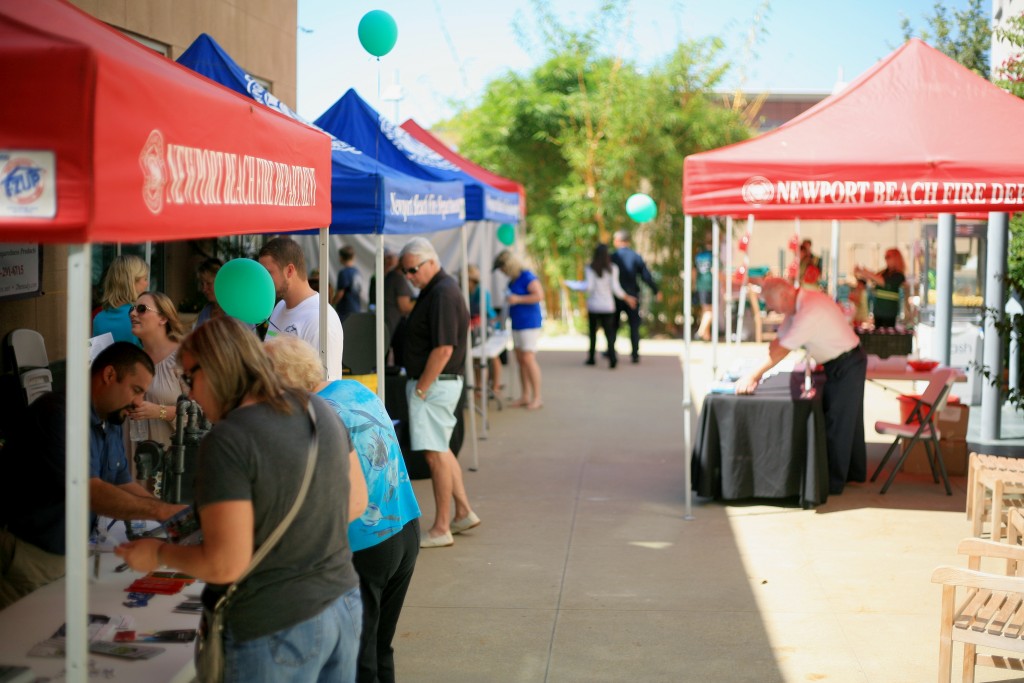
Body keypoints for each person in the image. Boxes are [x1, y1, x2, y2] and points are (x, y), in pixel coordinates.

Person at [116, 316, 368, 682]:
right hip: (341, 606)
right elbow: (356, 502)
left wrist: (156, 554)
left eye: (189, 378)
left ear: (218, 368)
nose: (188, 393)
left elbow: (224, 565)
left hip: (274, 625)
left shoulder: (229, 439)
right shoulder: (318, 410)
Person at [265, 336, 420, 683]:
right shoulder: (354, 389)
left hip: (366, 542)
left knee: (357, 660)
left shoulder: (314, 413)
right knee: (380, 648)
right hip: (406, 525)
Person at [0, 342, 185, 609]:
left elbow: (123, 483)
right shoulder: (59, 415)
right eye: (136, 390)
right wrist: (162, 512)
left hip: (66, 558)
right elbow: (91, 493)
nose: (138, 402)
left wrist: (171, 513)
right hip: (27, 559)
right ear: (109, 375)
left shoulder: (109, 420)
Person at [736, 277, 867, 496]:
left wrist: (753, 376)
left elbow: (783, 349)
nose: (770, 309)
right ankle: (853, 472)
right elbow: (779, 342)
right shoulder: (797, 306)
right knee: (847, 421)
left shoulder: (809, 310)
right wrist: (758, 366)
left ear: (784, 295)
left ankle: (832, 484)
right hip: (841, 361)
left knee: (838, 423)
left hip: (846, 363)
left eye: (771, 303)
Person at [399, 237, 479, 548]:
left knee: (435, 456)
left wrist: (421, 387)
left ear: (431, 262)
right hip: (437, 384)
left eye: (412, 270)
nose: (409, 277)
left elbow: (444, 348)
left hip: (435, 384)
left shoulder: (443, 293)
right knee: (441, 450)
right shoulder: (437, 289)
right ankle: (462, 512)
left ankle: (442, 526)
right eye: (406, 272)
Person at [259, 236, 345, 380]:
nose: (263, 280)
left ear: (290, 271)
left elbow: (326, 387)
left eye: (268, 273)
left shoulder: (321, 319)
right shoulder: (279, 307)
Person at [126, 292, 188, 468]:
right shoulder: (131, 360)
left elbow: (199, 412)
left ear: (163, 318)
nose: (132, 313)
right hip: (134, 460)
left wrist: (160, 411)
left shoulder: (184, 357)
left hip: (171, 464)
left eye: (142, 309)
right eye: (132, 309)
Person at [493, 248, 544, 409]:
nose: (502, 272)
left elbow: (539, 295)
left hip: (529, 323)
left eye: (502, 269)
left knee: (528, 359)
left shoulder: (527, 276)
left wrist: (518, 299)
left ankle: (537, 397)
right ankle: (525, 395)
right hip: (517, 322)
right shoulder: (513, 280)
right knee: (521, 360)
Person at [611, 230, 661, 363]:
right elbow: (645, 276)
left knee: (613, 325)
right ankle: (635, 354)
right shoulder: (635, 256)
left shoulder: (613, 257)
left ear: (618, 241)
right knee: (634, 325)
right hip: (633, 296)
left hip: (617, 297)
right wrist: (656, 290)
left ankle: (611, 352)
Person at [584, 244, 636, 369]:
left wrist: (580, 286)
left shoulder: (590, 268)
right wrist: (627, 298)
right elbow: (616, 289)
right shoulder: (613, 268)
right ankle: (612, 358)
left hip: (594, 306)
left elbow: (589, 287)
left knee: (592, 333)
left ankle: (591, 358)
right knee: (610, 333)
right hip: (608, 306)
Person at [368, 248, 415, 366]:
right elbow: (404, 306)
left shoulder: (383, 277)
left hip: (385, 325)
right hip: (393, 325)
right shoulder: (395, 278)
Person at [93, 254, 149, 345]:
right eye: (145, 278)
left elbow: (96, 357)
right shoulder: (142, 315)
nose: (147, 284)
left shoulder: (99, 319)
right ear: (131, 282)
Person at [467, 263, 501, 393]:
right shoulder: (467, 290)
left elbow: (483, 311)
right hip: (476, 327)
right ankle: (479, 385)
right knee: (476, 356)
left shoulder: (481, 291)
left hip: (488, 326)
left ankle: (495, 385)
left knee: (491, 355)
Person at [855, 248, 908, 329]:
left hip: (889, 312)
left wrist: (867, 272)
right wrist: (861, 272)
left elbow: (883, 282)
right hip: (878, 311)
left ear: (895, 258)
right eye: (885, 257)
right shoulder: (884, 272)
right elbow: (874, 278)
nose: (885, 259)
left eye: (888, 256)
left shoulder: (899, 275)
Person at [333, 245, 363, 322]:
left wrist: (332, 302)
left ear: (341, 258)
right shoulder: (357, 272)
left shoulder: (343, 273)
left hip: (345, 310)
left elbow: (340, 293)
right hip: (356, 308)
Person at [193, 257, 225, 329]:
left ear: (221, 283)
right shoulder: (205, 312)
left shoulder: (238, 313)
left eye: (208, 283)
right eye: (202, 284)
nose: (204, 289)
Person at [694, 236, 716, 341]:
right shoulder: (713, 255)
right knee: (710, 311)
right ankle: (701, 331)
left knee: (705, 310)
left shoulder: (698, 256)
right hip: (710, 284)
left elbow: (694, 271)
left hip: (700, 284)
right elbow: (716, 271)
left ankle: (706, 336)